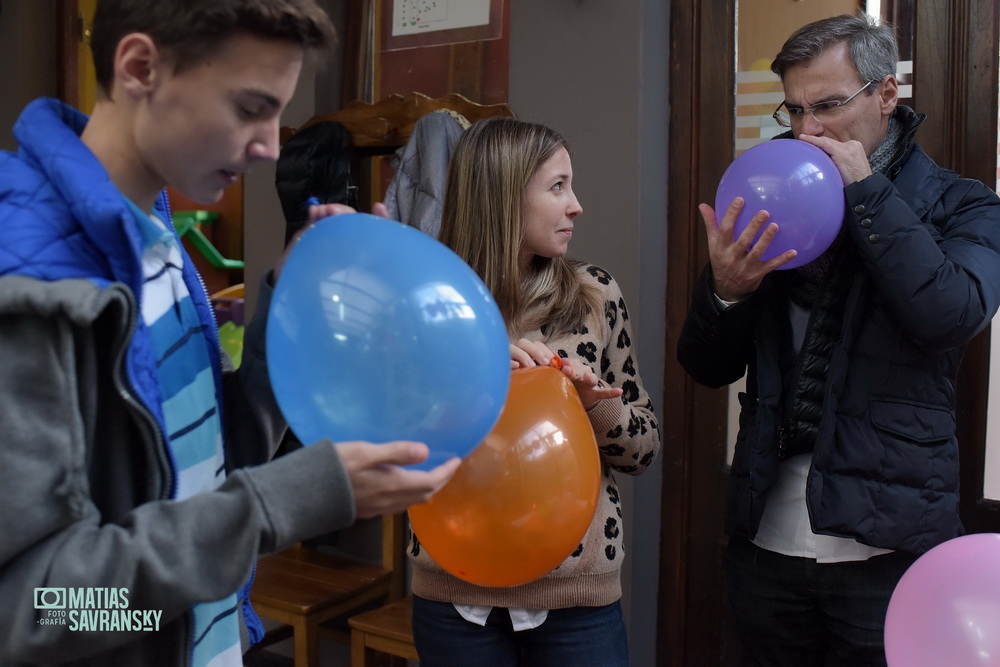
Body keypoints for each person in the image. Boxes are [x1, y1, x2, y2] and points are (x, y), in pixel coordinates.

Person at [0, 1, 460, 665]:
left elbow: (208, 471)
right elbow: (34, 606)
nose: (273, 145)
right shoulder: (30, 279)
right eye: (251, 108)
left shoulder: (153, 237)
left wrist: (289, 304)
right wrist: (284, 501)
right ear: (140, 68)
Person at [677, 12, 1000, 666]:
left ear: (887, 94)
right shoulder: (776, 197)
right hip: (766, 541)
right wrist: (728, 291)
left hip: (886, 552)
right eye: (793, 110)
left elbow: (949, 313)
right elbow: (705, 365)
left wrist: (868, 195)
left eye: (827, 105)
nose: (807, 131)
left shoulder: (965, 204)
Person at [408, 117, 661, 667]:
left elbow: (644, 450)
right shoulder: (426, 304)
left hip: (577, 604)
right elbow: (383, 445)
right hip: (454, 602)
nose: (576, 205)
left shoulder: (596, 295)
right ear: (502, 196)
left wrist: (599, 408)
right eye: (557, 187)